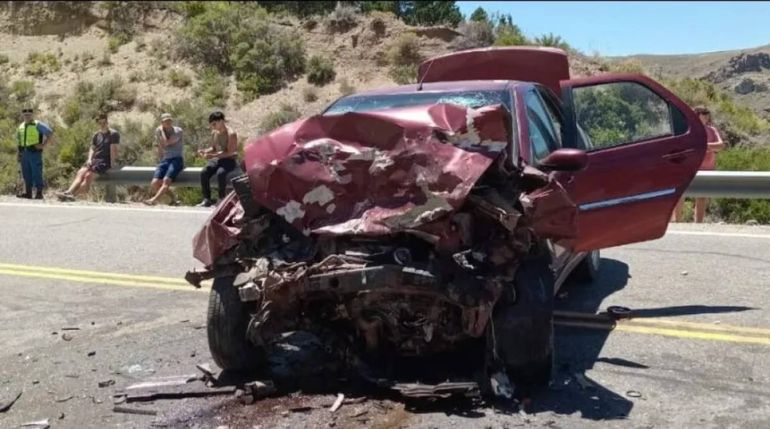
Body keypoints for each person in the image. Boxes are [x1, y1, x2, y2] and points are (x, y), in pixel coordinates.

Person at [672, 106, 725, 223]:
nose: (707, 115)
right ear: (696, 114)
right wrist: (708, 147)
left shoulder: (712, 130)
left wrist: (704, 146)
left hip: (707, 168)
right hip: (690, 167)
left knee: (701, 197)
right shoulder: (688, 129)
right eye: (704, 113)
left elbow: (720, 145)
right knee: (681, 195)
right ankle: (677, 221)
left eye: (707, 113)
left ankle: (698, 223)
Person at [56, 113, 120, 201]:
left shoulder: (113, 134)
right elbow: (92, 148)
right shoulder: (97, 135)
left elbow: (113, 149)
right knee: (81, 172)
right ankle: (69, 192)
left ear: (107, 122)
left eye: (104, 123)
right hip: (95, 160)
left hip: (105, 161)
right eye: (100, 123)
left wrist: (112, 163)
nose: (102, 125)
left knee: (88, 176)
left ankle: (74, 196)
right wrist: (89, 159)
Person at [197, 111, 238, 207]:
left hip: (229, 159)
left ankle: (221, 199)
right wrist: (205, 151)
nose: (213, 127)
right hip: (218, 158)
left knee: (221, 173)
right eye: (212, 125)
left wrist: (213, 155)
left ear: (221, 121)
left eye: (214, 124)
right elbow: (214, 148)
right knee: (204, 172)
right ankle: (206, 199)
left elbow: (229, 152)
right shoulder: (215, 133)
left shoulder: (231, 134)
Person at [144, 113, 184, 206]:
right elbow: (159, 146)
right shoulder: (158, 131)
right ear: (162, 122)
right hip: (165, 159)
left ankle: (153, 200)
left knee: (166, 180)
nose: (168, 123)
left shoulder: (178, 131)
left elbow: (166, 143)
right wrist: (160, 158)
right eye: (166, 121)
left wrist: (161, 131)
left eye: (169, 121)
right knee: (155, 182)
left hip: (176, 159)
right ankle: (173, 198)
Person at [16, 107, 55, 199]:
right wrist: (18, 154)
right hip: (24, 153)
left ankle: (39, 193)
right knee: (26, 173)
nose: (27, 116)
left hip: (34, 153)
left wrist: (43, 145)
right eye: (25, 115)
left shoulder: (38, 124)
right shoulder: (21, 126)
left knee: (36, 172)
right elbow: (19, 140)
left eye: (29, 115)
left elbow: (50, 133)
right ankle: (28, 193)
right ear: (23, 115)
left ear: (32, 115)